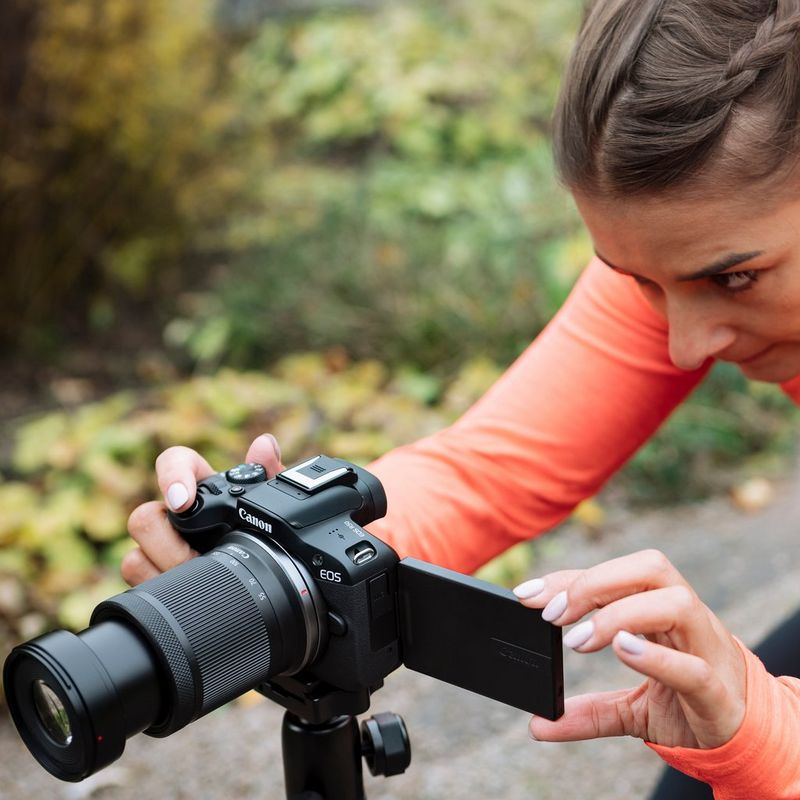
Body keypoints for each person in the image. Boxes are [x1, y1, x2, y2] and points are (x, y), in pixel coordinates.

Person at [122, 2, 800, 798]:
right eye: (639, 280)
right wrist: (286, 556)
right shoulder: (693, 251)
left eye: (735, 278)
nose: (684, 344)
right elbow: (493, 471)